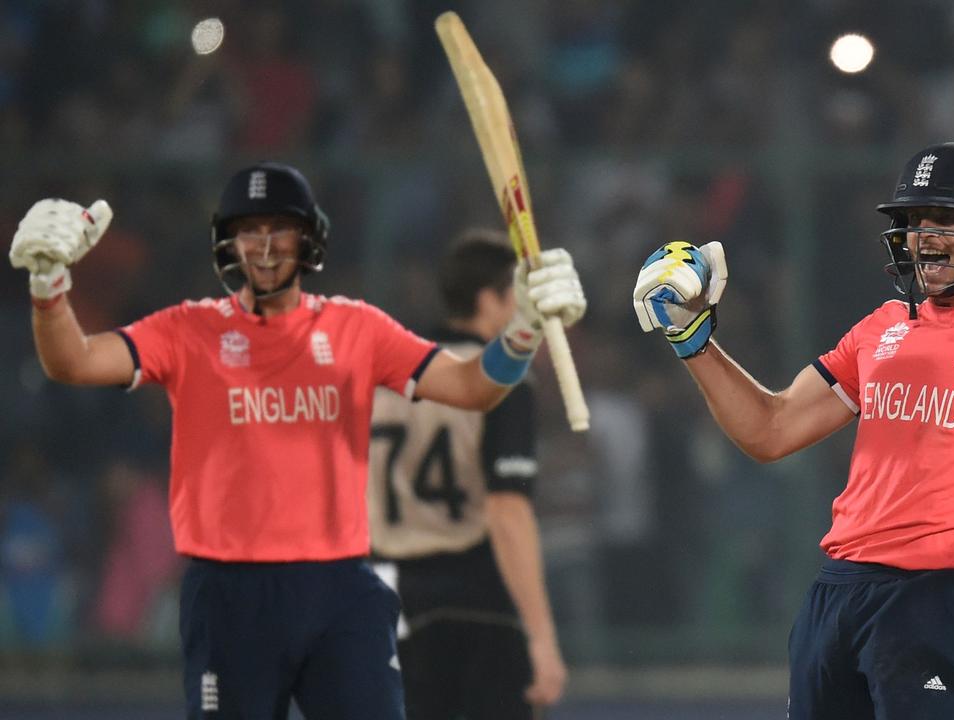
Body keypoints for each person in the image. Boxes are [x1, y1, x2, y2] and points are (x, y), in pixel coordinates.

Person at [7, 162, 586, 720]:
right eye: (248, 231)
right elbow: (73, 362)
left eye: (280, 229)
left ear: (310, 238)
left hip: (340, 587)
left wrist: (522, 330)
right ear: (226, 245)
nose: (263, 245)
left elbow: (471, 388)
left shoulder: (357, 328)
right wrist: (49, 289)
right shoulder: (186, 330)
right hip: (228, 590)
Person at [631, 141, 954, 719]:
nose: (924, 236)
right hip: (835, 594)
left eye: (945, 218)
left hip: (934, 598)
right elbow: (770, 429)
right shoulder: (882, 326)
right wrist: (692, 339)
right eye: (916, 221)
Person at [367, 229, 566, 720]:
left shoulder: (389, 373)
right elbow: (507, 510)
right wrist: (542, 637)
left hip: (385, 598)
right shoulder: (503, 379)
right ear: (491, 298)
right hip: (476, 597)